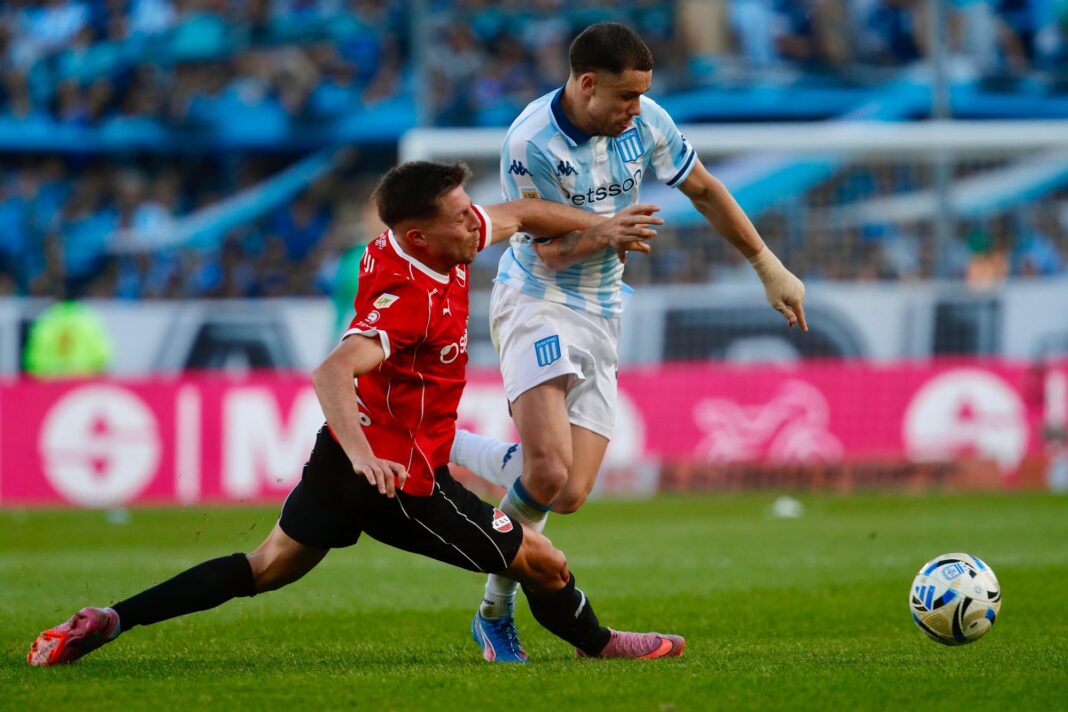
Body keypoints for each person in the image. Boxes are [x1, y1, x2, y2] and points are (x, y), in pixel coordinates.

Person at [27, 161, 681, 668]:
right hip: (402, 481)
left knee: (267, 566)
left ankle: (108, 619)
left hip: (350, 462)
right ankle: (597, 643)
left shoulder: (431, 239)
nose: (475, 224)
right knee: (545, 562)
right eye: (461, 217)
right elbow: (333, 369)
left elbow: (521, 211)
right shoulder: (408, 298)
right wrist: (370, 457)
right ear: (420, 234)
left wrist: (600, 230)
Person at [452, 22, 808, 663]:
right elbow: (550, 252)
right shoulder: (529, 143)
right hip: (537, 301)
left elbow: (703, 189)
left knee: (567, 490)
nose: (636, 111)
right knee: (547, 470)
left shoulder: (647, 123)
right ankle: (493, 613)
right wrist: (604, 232)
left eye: (642, 97)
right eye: (625, 98)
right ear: (587, 84)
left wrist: (767, 266)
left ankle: (452, 446)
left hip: (604, 308)